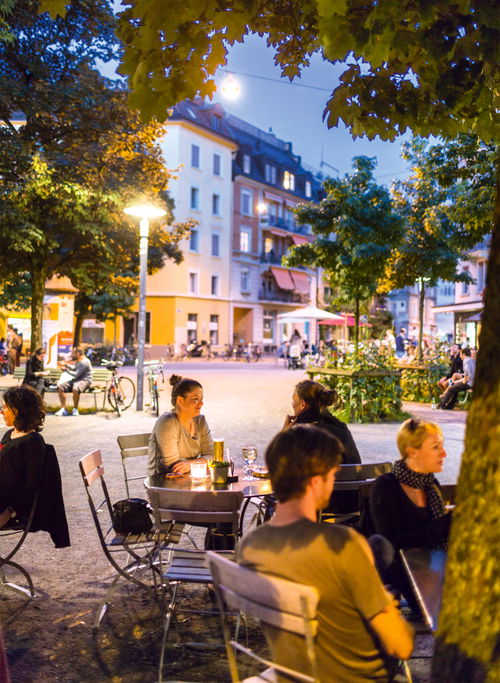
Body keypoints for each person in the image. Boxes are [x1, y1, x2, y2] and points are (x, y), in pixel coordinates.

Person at [237, 425, 414, 682]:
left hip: (294, 675)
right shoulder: (341, 544)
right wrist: (386, 606)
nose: (333, 483)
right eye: (332, 475)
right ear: (317, 481)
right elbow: (402, 646)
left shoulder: (251, 546)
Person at [370, 418, 452, 606]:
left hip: (435, 570)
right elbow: (390, 545)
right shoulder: (385, 487)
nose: (444, 453)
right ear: (412, 451)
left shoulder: (431, 485)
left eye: (442, 446)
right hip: (405, 577)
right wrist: (449, 523)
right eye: (435, 447)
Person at [0, 386, 70, 548]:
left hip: (7, 508)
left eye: (5, 408)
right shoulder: (10, 434)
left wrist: (11, 510)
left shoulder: (32, 442)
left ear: (17, 410)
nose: (2, 412)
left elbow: (29, 486)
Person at [147, 374, 214, 476]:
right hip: (164, 482)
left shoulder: (200, 421)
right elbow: (173, 467)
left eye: (201, 399)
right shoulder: (167, 422)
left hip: (190, 476)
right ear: (180, 401)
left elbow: (212, 455)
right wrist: (201, 463)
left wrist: (189, 465)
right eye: (195, 399)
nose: (201, 404)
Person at [282, 379, 361, 464]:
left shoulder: (299, 432)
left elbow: (278, 466)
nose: (292, 404)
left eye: (294, 400)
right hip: (348, 477)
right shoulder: (341, 428)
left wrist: (284, 434)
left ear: (302, 404)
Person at [55, 346, 93, 416]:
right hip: (77, 380)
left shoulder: (85, 362)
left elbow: (76, 374)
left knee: (75, 389)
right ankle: (63, 409)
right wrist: (66, 365)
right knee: (61, 387)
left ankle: (75, 409)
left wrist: (66, 370)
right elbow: (75, 368)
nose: (72, 354)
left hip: (85, 380)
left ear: (78, 353)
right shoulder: (79, 360)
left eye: (73, 353)